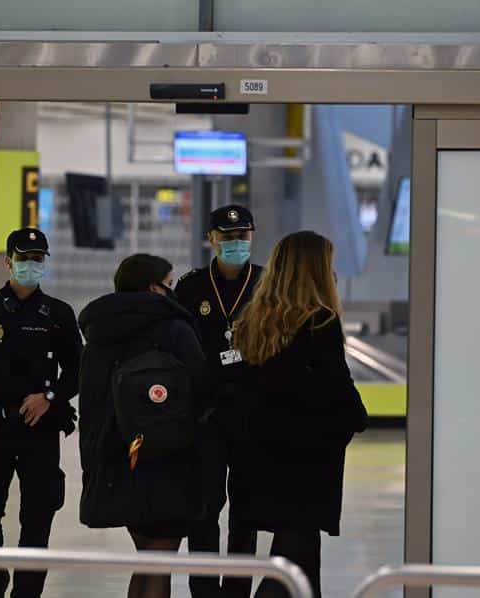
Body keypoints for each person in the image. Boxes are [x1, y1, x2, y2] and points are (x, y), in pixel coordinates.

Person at [230, 231, 368, 598]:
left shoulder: (254, 320)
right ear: (315, 270)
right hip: (305, 457)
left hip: (261, 452)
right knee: (295, 559)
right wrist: (357, 417)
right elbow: (335, 385)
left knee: (298, 557)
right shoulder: (318, 321)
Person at [77, 254, 206, 598]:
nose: (173, 289)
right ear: (153, 287)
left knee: (148, 559)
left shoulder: (99, 331)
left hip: (121, 459)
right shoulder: (175, 329)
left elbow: (90, 400)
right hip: (170, 458)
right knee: (160, 563)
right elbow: (201, 388)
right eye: (169, 282)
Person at [0, 228, 83, 598]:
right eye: (24, 258)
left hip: (39, 430)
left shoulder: (57, 314)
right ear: (8, 261)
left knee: (37, 517)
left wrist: (49, 396)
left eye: (37, 258)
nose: (30, 265)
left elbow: (77, 369)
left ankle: (27, 593)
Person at [175, 205, 261, 598]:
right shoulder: (191, 287)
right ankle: (204, 589)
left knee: (246, 511)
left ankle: (237, 591)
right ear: (211, 239)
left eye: (242, 235)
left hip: (250, 413)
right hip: (205, 415)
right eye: (226, 237)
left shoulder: (266, 284)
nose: (235, 243)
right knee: (205, 509)